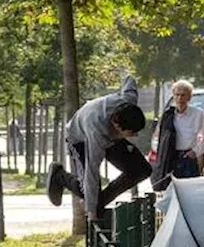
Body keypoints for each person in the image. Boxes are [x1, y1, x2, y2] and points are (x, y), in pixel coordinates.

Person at [47, 76, 151, 220]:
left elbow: (129, 80)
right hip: (79, 139)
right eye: (132, 133)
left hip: (112, 136)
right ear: (118, 126)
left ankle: (97, 203)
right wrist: (91, 212)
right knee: (88, 191)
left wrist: (127, 73)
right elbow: (92, 172)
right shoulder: (95, 133)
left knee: (142, 170)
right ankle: (59, 176)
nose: (136, 135)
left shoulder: (128, 102)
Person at [149, 80, 204, 190]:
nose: (180, 98)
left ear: (189, 97)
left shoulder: (197, 114)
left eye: (183, 95)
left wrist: (194, 152)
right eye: (177, 95)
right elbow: (157, 138)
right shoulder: (168, 115)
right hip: (169, 158)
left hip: (187, 158)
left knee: (190, 190)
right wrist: (161, 153)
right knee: (169, 191)